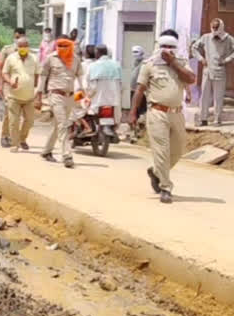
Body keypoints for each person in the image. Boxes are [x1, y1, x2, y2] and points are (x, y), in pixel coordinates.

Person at [129, 31, 196, 204]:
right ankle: (165, 187)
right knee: (162, 151)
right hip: (157, 113)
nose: (167, 50)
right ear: (158, 47)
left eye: (171, 47)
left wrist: (173, 63)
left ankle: (156, 172)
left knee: (178, 149)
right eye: (164, 47)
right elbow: (140, 89)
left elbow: (191, 79)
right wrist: (133, 112)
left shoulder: (181, 63)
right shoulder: (149, 64)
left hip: (177, 113)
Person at [36, 38, 84, 168]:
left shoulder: (75, 59)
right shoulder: (50, 58)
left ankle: (46, 151)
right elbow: (43, 77)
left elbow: (80, 78)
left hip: (70, 96)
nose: (62, 48)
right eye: (59, 46)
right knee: (63, 125)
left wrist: (82, 95)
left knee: (58, 126)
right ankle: (67, 155)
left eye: (65, 46)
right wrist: (39, 95)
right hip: (55, 95)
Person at [192, 18, 234, 126]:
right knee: (204, 96)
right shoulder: (206, 37)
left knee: (218, 97)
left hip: (220, 71)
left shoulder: (228, 39)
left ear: (221, 27)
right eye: (213, 27)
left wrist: (226, 60)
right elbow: (194, 48)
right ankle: (203, 119)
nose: (214, 30)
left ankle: (217, 119)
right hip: (207, 71)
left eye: (216, 27)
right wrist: (201, 59)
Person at [2, 36, 39, 152]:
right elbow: (4, 73)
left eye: (25, 46)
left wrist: (36, 89)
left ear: (28, 47)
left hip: (29, 97)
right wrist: (10, 82)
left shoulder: (34, 59)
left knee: (30, 120)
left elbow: (37, 75)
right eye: (21, 46)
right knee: (14, 122)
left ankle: (22, 139)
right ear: (17, 47)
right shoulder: (11, 58)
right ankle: (15, 143)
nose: (23, 48)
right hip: (14, 96)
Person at [0, 27, 25, 147]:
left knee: (21, 114)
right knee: (9, 112)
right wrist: (0, 84)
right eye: (18, 36)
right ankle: (5, 136)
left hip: (23, 86)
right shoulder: (7, 50)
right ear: (14, 36)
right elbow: (1, 68)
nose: (19, 39)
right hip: (9, 85)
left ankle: (16, 137)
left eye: (22, 36)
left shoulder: (27, 51)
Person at [88, 45, 122, 122]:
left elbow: (90, 87)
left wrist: (88, 95)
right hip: (114, 103)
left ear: (97, 52)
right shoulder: (117, 65)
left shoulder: (92, 66)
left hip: (98, 103)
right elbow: (121, 85)